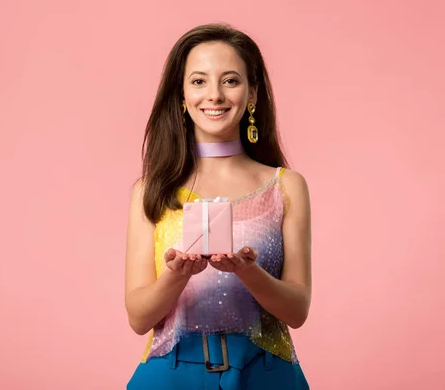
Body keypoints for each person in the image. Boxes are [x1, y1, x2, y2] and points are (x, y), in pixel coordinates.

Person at [125, 23, 312, 389]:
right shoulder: (151, 189)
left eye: (230, 80)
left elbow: (297, 310)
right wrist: (177, 276)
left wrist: (248, 271)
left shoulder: (285, 185)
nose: (214, 95)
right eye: (198, 81)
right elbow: (138, 318)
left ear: (252, 93)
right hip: (172, 373)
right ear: (180, 94)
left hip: (266, 374)